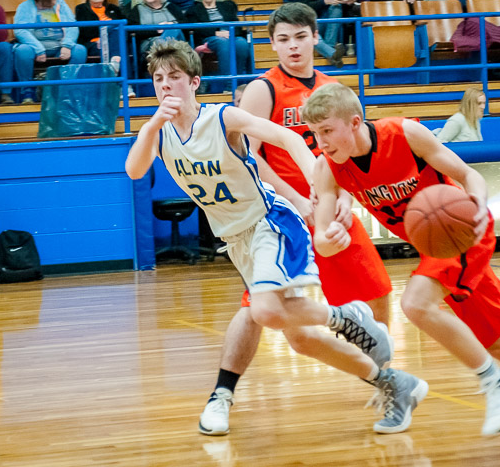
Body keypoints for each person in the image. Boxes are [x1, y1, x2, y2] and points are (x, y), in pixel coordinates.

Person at [126, 38, 426, 436]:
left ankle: (345, 317)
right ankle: (394, 384)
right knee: (299, 338)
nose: (166, 86)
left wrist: (318, 184)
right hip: (235, 239)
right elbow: (134, 170)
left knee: (263, 310)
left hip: (269, 221)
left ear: (194, 82)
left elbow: (285, 138)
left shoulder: (223, 118)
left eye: (175, 77)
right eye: (158, 79)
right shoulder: (158, 134)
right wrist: (151, 124)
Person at [304, 82, 500, 443]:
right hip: (435, 246)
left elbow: (469, 175)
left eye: (327, 131)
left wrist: (477, 201)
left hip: (462, 231)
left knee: (415, 303)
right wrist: (329, 240)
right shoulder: (327, 168)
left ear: (355, 121)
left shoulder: (405, 133)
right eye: (315, 134)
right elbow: (321, 238)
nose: (322, 142)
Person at [196, 2, 395, 436]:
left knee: (378, 291)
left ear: (314, 37)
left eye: (300, 37)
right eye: (283, 39)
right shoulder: (262, 89)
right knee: (257, 308)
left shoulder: (332, 87)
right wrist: (298, 200)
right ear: (273, 44)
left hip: (326, 203)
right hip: (279, 212)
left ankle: (387, 380)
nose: (292, 46)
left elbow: (348, 151)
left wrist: (342, 195)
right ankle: (222, 393)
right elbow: (249, 157)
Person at [12, 0, 87, 104]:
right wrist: (38, 49)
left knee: (80, 50)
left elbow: (72, 26)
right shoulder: (25, 7)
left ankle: (67, 90)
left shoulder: (61, 3)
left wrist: (67, 45)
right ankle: (27, 92)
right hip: (35, 48)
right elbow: (20, 30)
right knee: (23, 51)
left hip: (59, 46)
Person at [185, 0, 252, 91]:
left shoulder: (226, 6)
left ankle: (238, 82)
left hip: (229, 35)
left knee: (242, 43)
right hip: (209, 38)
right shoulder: (194, 10)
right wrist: (216, 33)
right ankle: (229, 86)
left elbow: (236, 25)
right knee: (223, 43)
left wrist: (229, 32)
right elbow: (196, 29)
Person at [126, 0, 186, 80]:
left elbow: (186, 24)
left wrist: (170, 25)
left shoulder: (171, 7)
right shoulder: (137, 10)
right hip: (149, 46)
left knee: (173, 29)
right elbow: (132, 31)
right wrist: (157, 30)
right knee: (162, 40)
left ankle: (156, 59)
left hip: (177, 45)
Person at [295, 0, 353, 67]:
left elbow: (338, 5)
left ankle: (329, 47)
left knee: (336, 7)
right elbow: (303, 8)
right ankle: (332, 53)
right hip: (308, 24)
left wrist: (346, 3)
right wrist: (325, 2)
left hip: (322, 24)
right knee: (312, 34)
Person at [75, 0, 125, 71]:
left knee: (117, 33)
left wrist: (106, 35)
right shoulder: (81, 9)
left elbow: (125, 24)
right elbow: (84, 30)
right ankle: (119, 78)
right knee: (115, 31)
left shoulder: (113, 8)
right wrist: (102, 35)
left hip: (113, 41)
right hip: (94, 43)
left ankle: (118, 70)